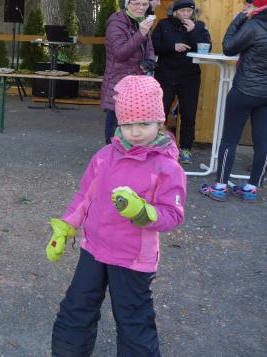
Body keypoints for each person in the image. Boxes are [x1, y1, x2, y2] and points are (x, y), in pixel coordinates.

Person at [48, 75, 186, 357]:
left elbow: (172, 214)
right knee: (76, 307)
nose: (135, 133)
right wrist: (65, 226)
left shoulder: (167, 167)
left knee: (134, 319)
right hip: (94, 249)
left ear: (159, 122)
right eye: (127, 125)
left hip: (133, 258)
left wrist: (144, 212)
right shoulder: (104, 156)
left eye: (144, 124)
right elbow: (85, 195)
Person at [200, 0, 267, 202]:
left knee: (230, 138)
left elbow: (229, 47)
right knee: (263, 141)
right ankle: (251, 188)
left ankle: (220, 187)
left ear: (257, 5)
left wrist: (240, 18)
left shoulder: (254, 25)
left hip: (245, 90)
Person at [151, 0, 211, 164]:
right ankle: (156, 146)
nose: (186, 14)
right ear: (175, 11)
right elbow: (153, 46)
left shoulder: (199, 26)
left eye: (189, 11)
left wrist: (193, 32)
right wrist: (173, 47)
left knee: (188, 114)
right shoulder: (164, 25)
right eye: (182, 10)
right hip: (166, 74)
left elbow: (206, 49)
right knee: (160, 112)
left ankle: (186, 149)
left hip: (189, 76)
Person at [101, 0, 156, 145]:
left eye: (144, 4)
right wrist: (141, 33)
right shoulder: (116, 23)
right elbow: (120, 53)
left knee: (132, 124)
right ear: (127, 4)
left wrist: (150, 61)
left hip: (137, 81)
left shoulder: (141, 22)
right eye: (136, 3)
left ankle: (127, 157)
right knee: (116, 124)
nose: (141, 7)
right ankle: (111, 156)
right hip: (119, 81)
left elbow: (149, 47)